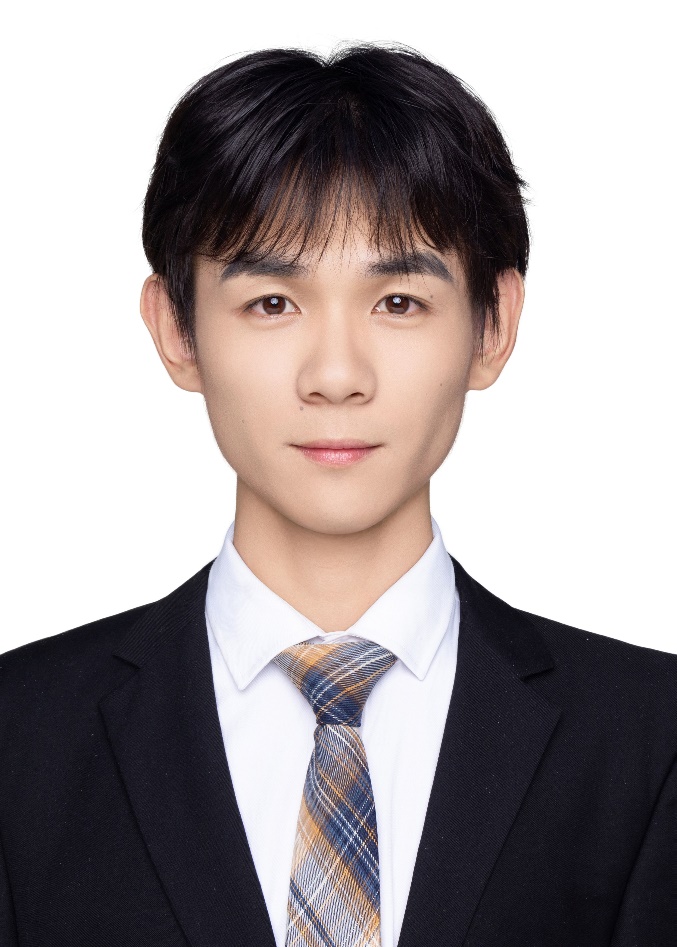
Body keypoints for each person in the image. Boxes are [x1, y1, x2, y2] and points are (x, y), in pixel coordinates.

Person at [0, 43, 675, 947]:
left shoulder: (648, 739)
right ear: (176, 329)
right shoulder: (20, 736)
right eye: (272, 302)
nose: (335, 375)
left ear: (492, 325)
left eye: (397, 302)